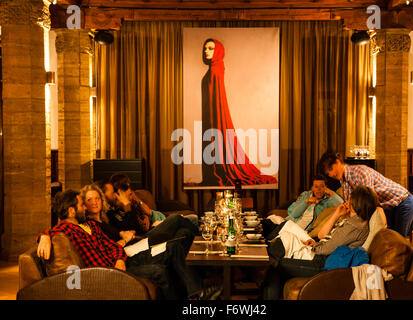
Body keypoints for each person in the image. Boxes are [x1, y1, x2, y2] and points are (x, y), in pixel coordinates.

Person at [36, 189, 203, 300]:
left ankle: (196, 294)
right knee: (159, 270)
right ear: (71, 211)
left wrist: (120, 259)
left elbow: (114, 246)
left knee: (173, 247)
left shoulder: (91, 225)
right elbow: (52, 232)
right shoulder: (64, 230)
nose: (85, 208)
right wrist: (43, 236)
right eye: (82, 204)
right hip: (109, 272)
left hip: (124, 261)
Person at [263, 185, 379, 299]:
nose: (348, 199)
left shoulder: (355, 225)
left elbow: (326, 249)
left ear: (356, 202)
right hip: (321, 255)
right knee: (280, 248)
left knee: (276, 265)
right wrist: (337, 214)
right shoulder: (351, 220)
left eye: (350, 197)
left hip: (322, 262)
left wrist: (314, 246)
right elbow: (322, 235)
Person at [200, 38, 277, 187]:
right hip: (210, 117)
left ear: (218, 51)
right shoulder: (215, 68)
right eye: (205, 48)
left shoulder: (216, 70)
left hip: (214, 118)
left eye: (210, 48)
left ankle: (217, 173)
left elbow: (217, 99)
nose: (206, 51)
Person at [318, 150, 413, 237]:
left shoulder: (360, 172)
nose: (331, 174)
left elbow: (369, 203)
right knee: (387, 240)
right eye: (328, 173)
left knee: (397, 240)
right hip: (387, 206)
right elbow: (352, 206)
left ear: (338, 162)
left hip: (402, 201)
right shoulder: (344, 181)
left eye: (331, 169)